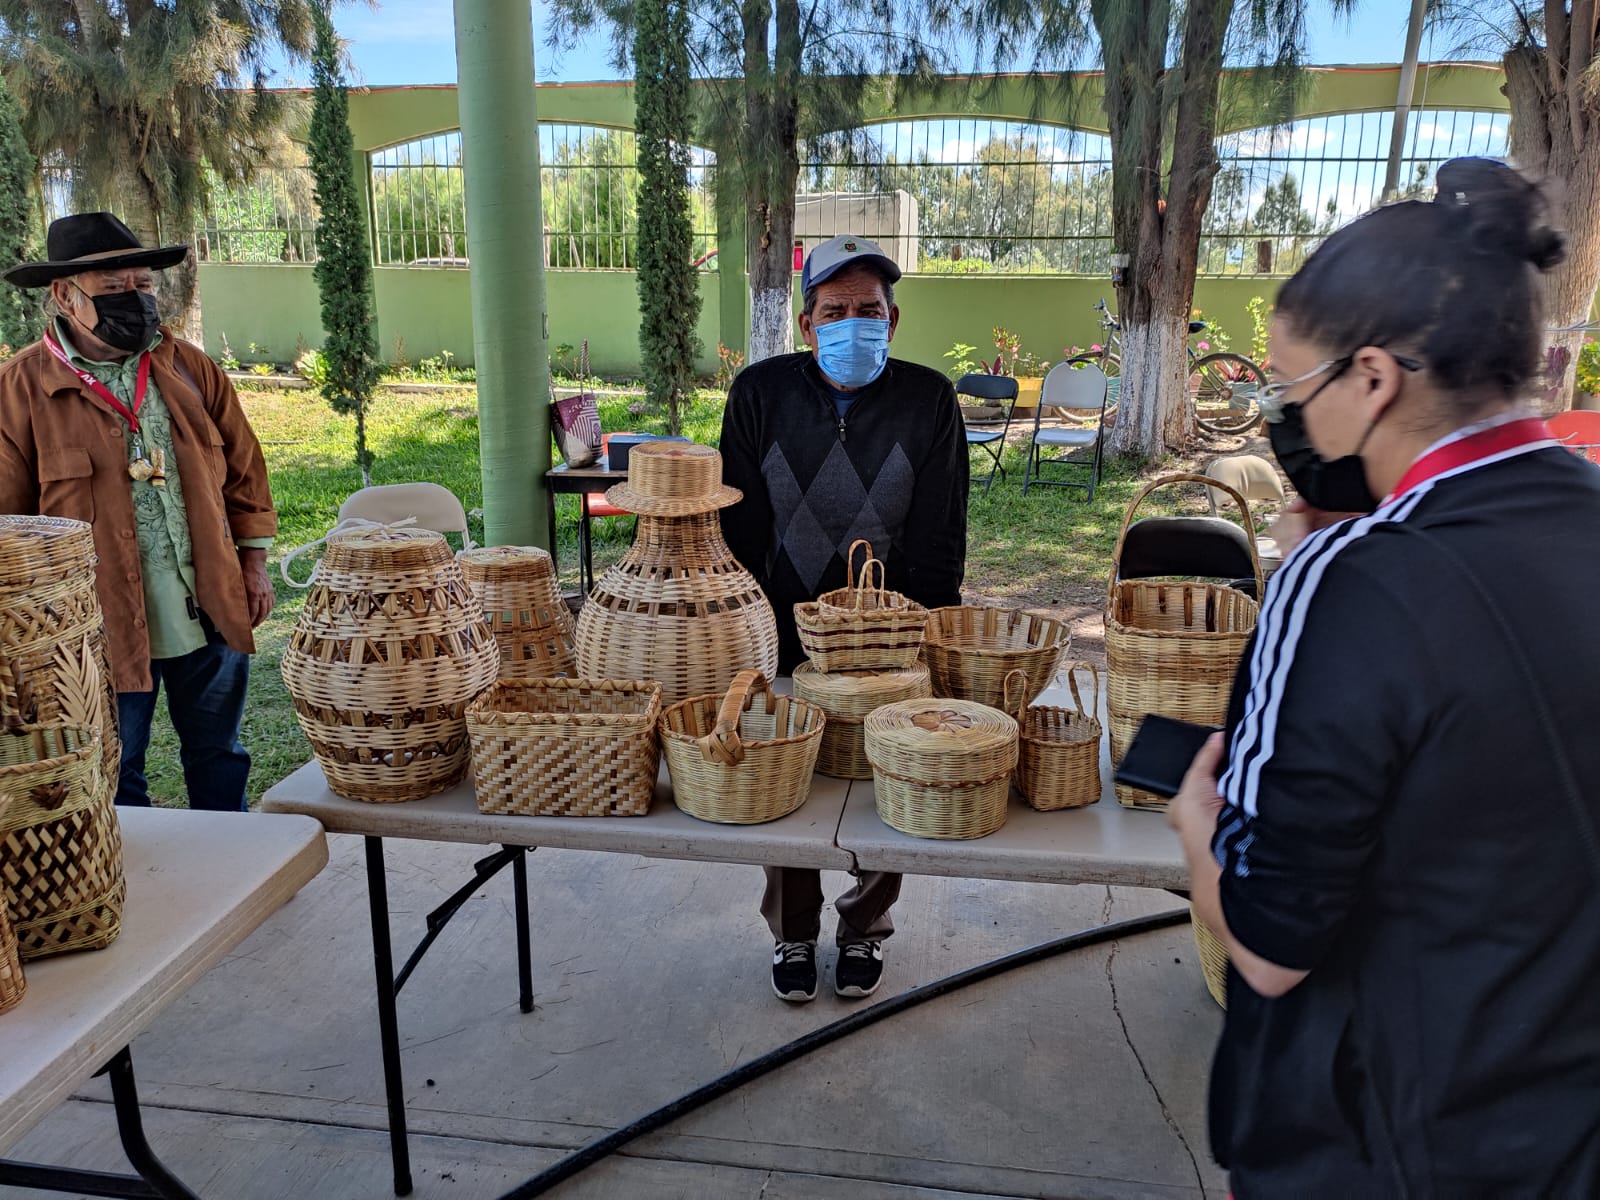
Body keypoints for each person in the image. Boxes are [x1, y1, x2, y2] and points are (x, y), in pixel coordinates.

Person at [1168, 158, 1600, 1196]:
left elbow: (1271, 947)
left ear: (1372, 379)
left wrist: (1193, 824)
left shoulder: (1349, 578)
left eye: (1291, 388)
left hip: (1398, 1137)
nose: (1288, 420)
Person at [720, 233, 968, 1003]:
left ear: (892, 322)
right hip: (785, 634)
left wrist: (918, 648)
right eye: (836, 310)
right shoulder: (759, 394)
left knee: (885, 784)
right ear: (806, 324)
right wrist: (751, 632)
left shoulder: (929, 399)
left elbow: (940, 534)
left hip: (890, 640)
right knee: (785, 785)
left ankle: (865, 927)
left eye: (870, 310)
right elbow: (736, 527)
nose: (853, 322)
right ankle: (793, 931)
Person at [0, 212, 278, 812]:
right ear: (63, 295)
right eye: (113, 289)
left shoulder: (189, 367)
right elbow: (10, 528)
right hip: (95, 626)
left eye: (142, 287)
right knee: (114, 767)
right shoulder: (20, 389)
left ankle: (232, 870)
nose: (135, 300)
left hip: (207, 602)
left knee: (220, 752)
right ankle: (142, 890)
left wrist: (252, 565)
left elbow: (246, 474)